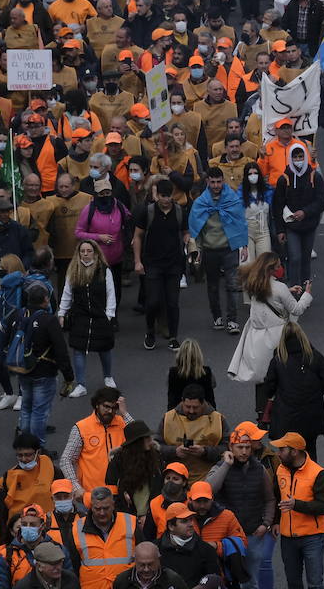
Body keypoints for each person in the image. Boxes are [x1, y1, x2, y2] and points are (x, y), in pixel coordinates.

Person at [203, 422, 276, 589]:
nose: (244, 451)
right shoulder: (220, 467)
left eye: (247, 447)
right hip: (228, 537)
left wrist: (266, 524)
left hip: (253, 533)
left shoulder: (259, 469)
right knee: (230, 579)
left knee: (250, 581)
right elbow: (208, 490)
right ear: (231, 448)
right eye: (239, 447)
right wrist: (226, 465)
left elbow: (270, 499)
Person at [229, 253, 313, 414]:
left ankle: (262, 411)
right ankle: (282, 407)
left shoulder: (252, 283)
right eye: (279, 266)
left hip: (257, 337)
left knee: (262, 377)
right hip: (278, 337)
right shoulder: (279, 288)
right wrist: (307, 294)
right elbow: (297, 309)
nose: (281, 269)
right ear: (272, 269)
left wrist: (287, 291)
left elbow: (268, 295)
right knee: (282, 373)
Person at [273, 432, 324, 589]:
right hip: (288, 537)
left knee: (315, 584)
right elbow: (276, 497)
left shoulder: (318, 473)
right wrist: (275, 521)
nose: (278, 453)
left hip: (312, 537)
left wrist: (296, 505)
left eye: (282, 449)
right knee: (293, 581)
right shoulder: (280, 469)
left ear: (295, 452)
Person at [189, 166, 247, 335]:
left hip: (229, 249)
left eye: (218, 182)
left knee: (232, 285)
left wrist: (243, 245)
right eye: (212, 182)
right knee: (213, 286)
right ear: (208, 182)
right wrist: (197, 249)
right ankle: (217, 317)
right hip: (210, 250)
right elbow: (195, 229)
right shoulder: (201, 202)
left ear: (223, 181)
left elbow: (240, 223)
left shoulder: (232, 199)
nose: (216, 185)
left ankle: (233, 320)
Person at [13, 282, 73, 445]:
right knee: (39, 412)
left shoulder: (20, 315)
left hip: (23, 369)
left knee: (26, 407)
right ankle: (37, 447)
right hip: (44, 372)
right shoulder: (49, 320)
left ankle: (24, 442)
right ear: (45, 300)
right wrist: (68, 376)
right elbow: (61, 350)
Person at [132, 180, 188, 351]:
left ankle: (173, 336)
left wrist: (188, 243)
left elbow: (185, 232)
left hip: (174, 264)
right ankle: (150, 331)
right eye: (163, 196)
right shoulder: (147, 212)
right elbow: (138, 236)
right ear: (157, 195)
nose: (166, 199)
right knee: (153, 301)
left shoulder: (179, 211)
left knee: (173, 302)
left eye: (169, 196)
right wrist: (137, 261)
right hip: (152, 263)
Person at [263, 323, 324, 459]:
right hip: (310, 415)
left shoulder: (279, 359)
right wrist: (316, 393)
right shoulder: (313, 356)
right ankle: (311, 479)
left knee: (286, 455)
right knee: (310, 452)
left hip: (286, 417)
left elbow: (269, 387)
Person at [58, 241, 116, 397]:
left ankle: (108, 377)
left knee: (104, 348)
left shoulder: (104, 271)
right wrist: (61, 314)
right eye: (82, 251)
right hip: (80, 316)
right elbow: (67, 294)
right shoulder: (73, 271)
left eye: (89, 251)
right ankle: (81, 384)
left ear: (95, 253)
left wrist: (109, 315)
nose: (85, 253)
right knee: (78, 349)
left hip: (100, 316)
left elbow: (111, 293)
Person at [271, 142, 324, 287]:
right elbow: (278, 206)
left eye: (301, 156)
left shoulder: (315, 177)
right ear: (290, 158)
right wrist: (280, 230)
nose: (298, 159)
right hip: (291, 226)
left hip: (309, 225)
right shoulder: (284, 179)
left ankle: (305, 288)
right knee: (295, 257)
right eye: (295, 157)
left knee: (305, 259)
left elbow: (321, 201)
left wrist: (305, 212)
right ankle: (294, 287)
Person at [59, 386, 130, 496]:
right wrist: (76, 487)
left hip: (122, 493)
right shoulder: (81, 427)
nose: (110, 411)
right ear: (97, 405)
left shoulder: (123, 423)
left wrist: (125, 413)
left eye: (114, 408)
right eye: (106, 406)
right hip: (92, 496)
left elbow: (141, 440)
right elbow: (66, 460)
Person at [72, 486, 137, 589]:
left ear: (113, 505)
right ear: (91, 507)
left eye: (106, 508)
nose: (102, 513)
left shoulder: (130, 522)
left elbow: (142, 552)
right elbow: (73, 562)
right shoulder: (76, 528)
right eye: (97, 509)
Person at [155, 384, 227, 482]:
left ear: (203, 403)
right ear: (182, 401)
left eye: (195, 407)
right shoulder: (168, 418)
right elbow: (155, 447)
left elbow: (227, 448)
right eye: (188, 407)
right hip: (175, 479)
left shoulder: (218, 419)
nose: (191, 411)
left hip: (207, 478)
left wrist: (205, 452)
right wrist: (174, 451)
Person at [156, 503, 220, 587]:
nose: (190, 524)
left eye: (191, 519)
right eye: (184, 521)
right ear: (171, 526)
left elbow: (213, 586)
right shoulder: (156, 549)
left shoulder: (206, 551)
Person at [168, 339, 217, 409]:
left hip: (180, 415)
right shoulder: (206, 372)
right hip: (202, 414)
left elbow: (171, 401)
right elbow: (211, 399)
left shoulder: (173, 373)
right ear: (198, 355)